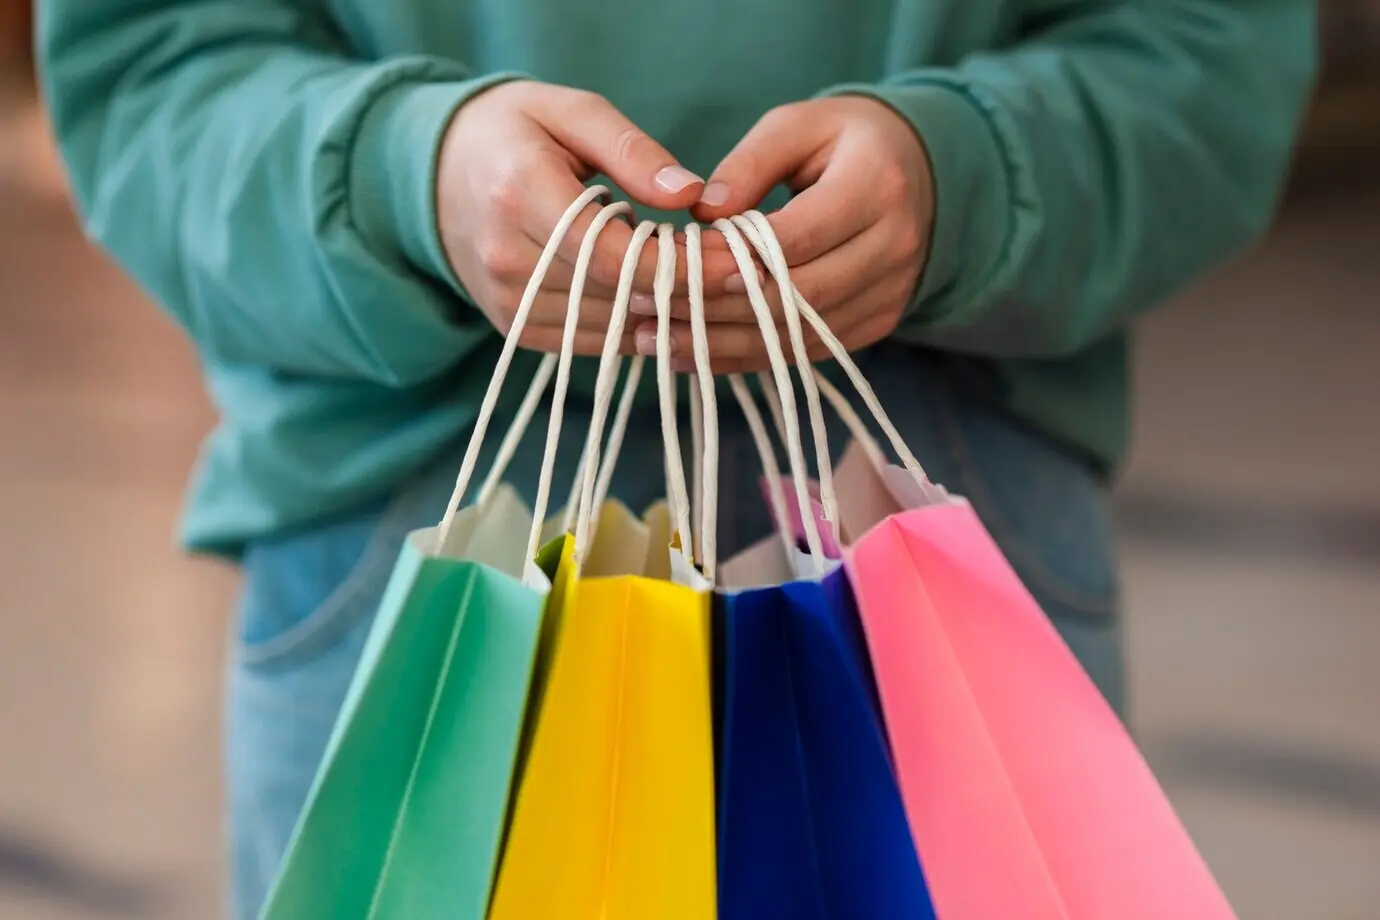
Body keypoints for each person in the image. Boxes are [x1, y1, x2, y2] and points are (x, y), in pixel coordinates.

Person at [38, 0, 1315, 915]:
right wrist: (405, 176)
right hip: (415, 546)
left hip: (931, 537)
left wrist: (964, 177)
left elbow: (1212, 48)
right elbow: (148, 65)